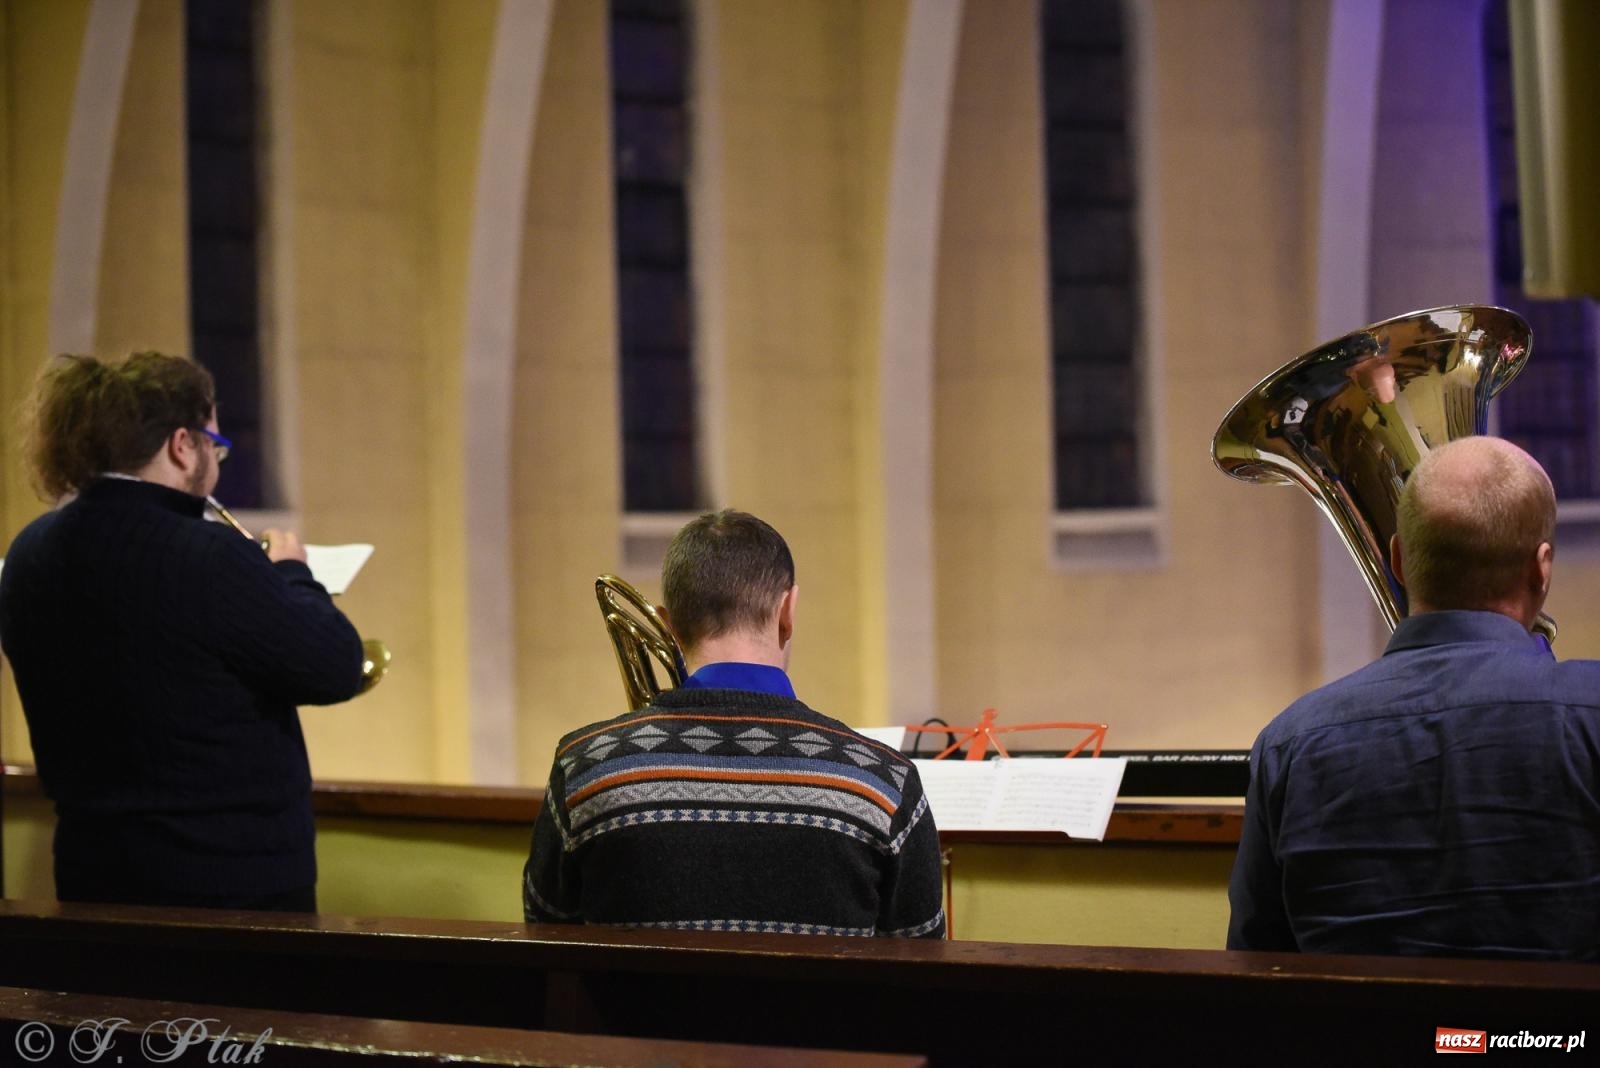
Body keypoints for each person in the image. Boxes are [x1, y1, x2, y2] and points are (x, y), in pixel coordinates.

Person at [0, 352, 365, 911]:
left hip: (91, 877)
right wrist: (293, 572)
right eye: (215, 447)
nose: (215, 465)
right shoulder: (209, 554)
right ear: (181, 444)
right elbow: (336, 666)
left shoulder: (29, 552)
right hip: (232, 885)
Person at [1228, 435, 1600, 960]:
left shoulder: (1288, 744)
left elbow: (1254, 959)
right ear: (1542, 568)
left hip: (1361, 1044)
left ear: (1398, 560)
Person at [524, 509, 945, 938]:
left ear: (667, 624)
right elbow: (921, 968)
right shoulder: (884, 783)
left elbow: (545, 934)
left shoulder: (584, 767)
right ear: (787, 612)